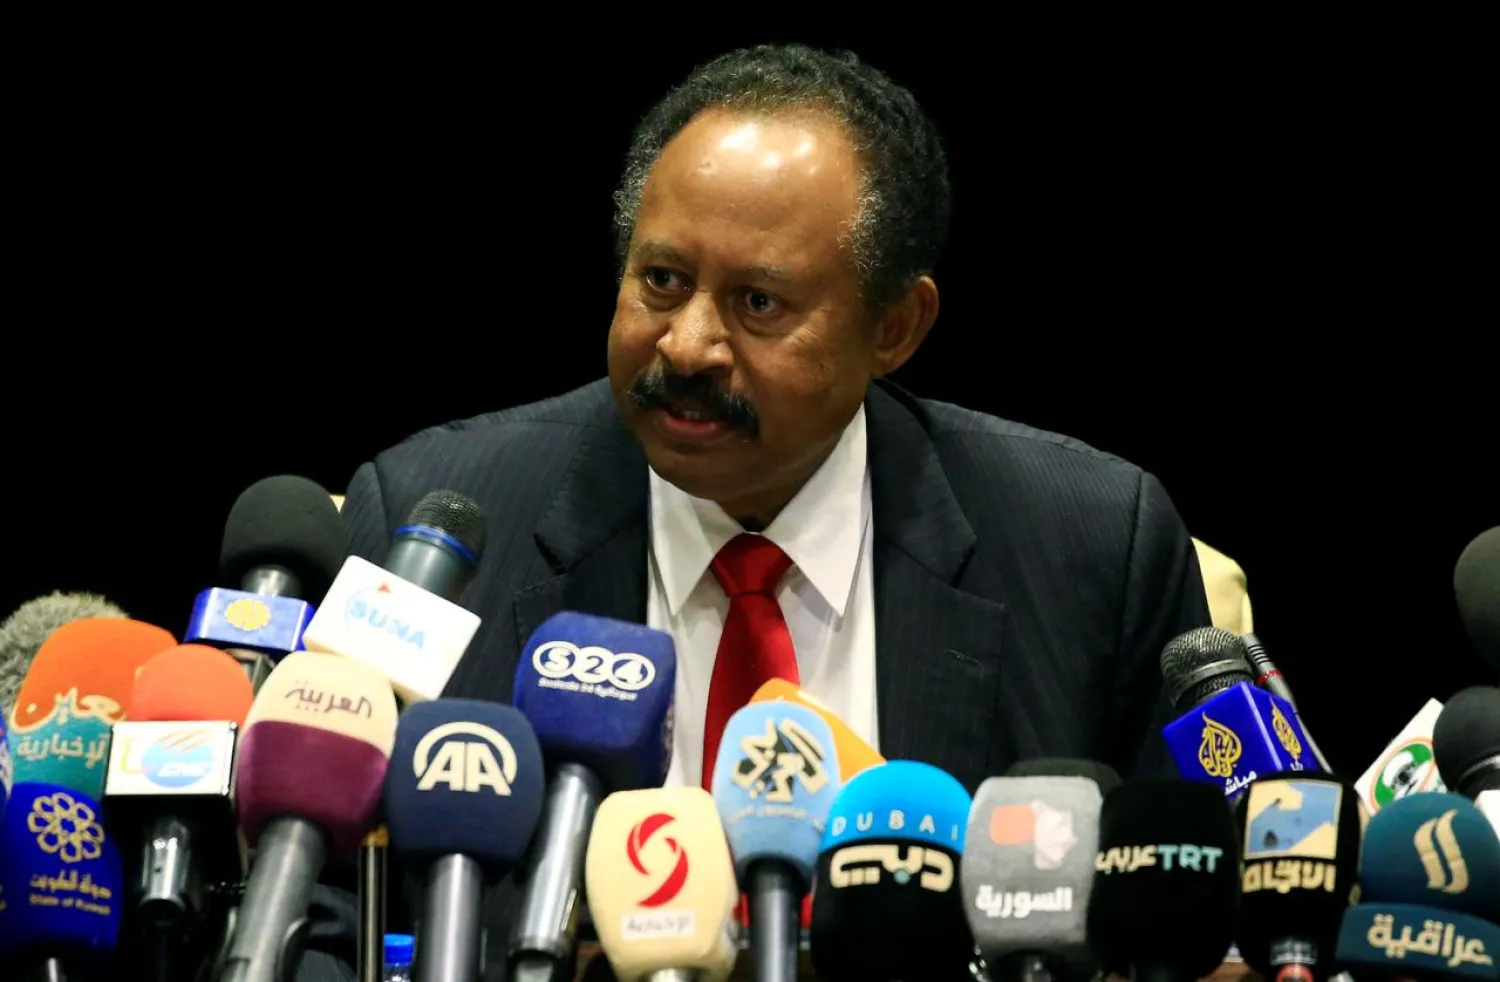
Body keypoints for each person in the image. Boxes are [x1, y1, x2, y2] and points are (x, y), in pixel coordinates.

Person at [329, 43, 1212, 980]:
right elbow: (313, 908)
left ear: (895, 329)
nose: (690, 343)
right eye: (662, 281)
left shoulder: (1089, 547)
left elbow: (1191, 922)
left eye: (758, 302)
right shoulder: (430, 528)